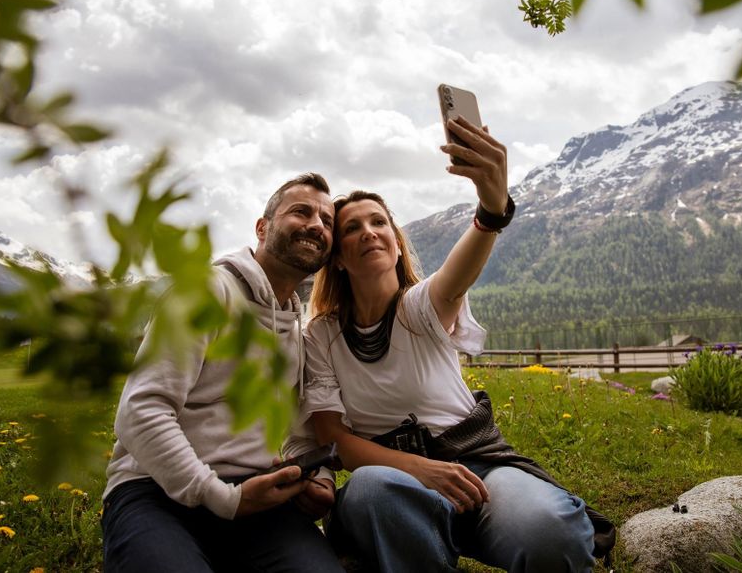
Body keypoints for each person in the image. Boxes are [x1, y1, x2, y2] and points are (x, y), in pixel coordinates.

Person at [303, 118, 615, 572]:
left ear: (395, 242)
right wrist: (419, 469)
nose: (369, 231)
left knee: (550, 530)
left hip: (478, 466)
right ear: (339, 259)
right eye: (352, 228)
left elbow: (455, 278)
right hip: (397, 487)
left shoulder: (420, 307)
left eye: (379, 222)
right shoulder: (322, 335)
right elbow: (332, 437)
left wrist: (491, 209)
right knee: (370, 490)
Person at [102, 173, 345, 573]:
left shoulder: (297, 327)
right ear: (262, 228)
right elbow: (141, 410)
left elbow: (299, 433)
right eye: (301, 211)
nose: (316, 224)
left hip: (256, 497)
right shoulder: (204, 292)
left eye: (326, 220)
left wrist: (318, 479)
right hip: (154, 491)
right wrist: (223, 498)